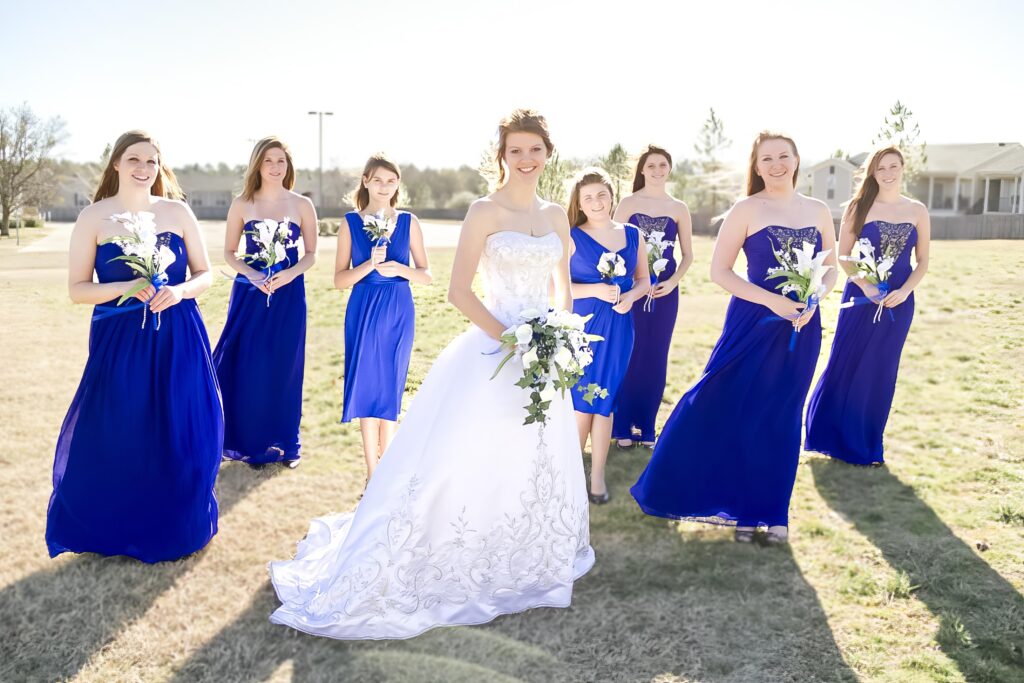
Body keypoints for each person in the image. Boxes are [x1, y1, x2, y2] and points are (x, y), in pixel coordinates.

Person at [268, 109, 594, 639]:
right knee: (467, 458)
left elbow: (564, 291)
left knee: (533, 457)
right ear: (502, 156)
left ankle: (523, 555)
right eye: (516, 150)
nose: (526, 159)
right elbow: (458, 292)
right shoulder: (483, 211)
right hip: (495, 351)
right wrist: (511, 338)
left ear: (548, 153)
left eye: (535, 149)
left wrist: (558, 338)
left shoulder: (558, 216)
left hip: (544, 359)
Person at [631, 132, 837, 544]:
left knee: (781, 416)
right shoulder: (746, 209)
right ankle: (719, 499)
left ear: (796, 160)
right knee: (726, 403)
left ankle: (772, 513)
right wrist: (772, 302)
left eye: (783, 156)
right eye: (767, 159)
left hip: (801, 326)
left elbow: (831, 267)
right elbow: (719, 271)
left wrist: (817, 296)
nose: (776, 164)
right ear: (757, 166)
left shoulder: (817, 210)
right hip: (752, 323)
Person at [46, 130, 222, 563]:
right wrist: (128, 285)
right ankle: (111, 523)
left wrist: (179, 292)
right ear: (116, 164)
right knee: (120, 427)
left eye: (152, 161)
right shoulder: (94, 217)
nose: (144, 169)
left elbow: (206, 274)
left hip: (178, 332)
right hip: (119, 340)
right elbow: (77, 290)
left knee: (179, 424)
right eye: (135, 160)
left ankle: (176, 521)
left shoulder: (177, 212)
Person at [805, 146, 930, 465]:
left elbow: (923, 262)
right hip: (860, 298)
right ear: (873, 172)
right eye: (881, 168)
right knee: (847, 362)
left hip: (899, 304)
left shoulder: (917, 211)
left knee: (880, 371)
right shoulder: (858, 207)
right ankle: (830, 435)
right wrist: (867, 286)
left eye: (894, 166)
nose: (888, 173)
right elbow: (843, 256)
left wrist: (904, 292)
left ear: (903, 168)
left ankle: (868, 445)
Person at [213, 136, 317, 466]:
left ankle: (287, 442)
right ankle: (252, 444)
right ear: (258, 164)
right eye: (268, 161)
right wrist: (254, 276)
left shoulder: (302, 205)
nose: (274, 167)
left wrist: (289, 275)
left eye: (281, 161)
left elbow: (311, 255)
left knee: (285, 367)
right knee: (251, 367)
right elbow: (229, 253)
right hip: (251, 295)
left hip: (288, 296)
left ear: (289, 166)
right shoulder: (243, 204)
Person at [335, 154, 431, 481]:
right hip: (363, 307)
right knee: (365, 386)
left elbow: (426, 275)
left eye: (391, 181)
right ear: (365, 181)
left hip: (398, 309)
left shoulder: (409, 222)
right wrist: (368, 266)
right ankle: (371, 472)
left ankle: (387, 465)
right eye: (378, 180)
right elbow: (338, 280)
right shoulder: (349, 223)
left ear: (398, 185)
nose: (384, 187)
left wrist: (400, 269)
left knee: (391, 385)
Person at [566, 167, 649, 504]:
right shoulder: (570, 236)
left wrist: (631, 296)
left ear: (612, 196)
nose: (597, 202)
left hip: (619, 329)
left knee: (605, 403)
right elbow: (557, 287)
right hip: (582, 329)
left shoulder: (632, 235)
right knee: (580, 403)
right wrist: (596, 290)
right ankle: (571, 476)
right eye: (589, 197)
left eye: (602, 194)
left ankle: (597, 477)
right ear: (580, 203)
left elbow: (644, 279)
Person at [611, 145, 693, 448]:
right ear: (642, 170)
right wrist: (632, 285)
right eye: (651, 166)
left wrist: (672, 282)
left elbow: (687, 255)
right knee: (630, 354)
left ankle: (646, 427)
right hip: (633, 293)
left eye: (663, 165)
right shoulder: (628, 203)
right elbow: (615, 246)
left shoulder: (678, 207)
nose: (658, 171)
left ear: (669, 169)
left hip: (664, 295)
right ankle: (621, 426)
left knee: (656, 358)